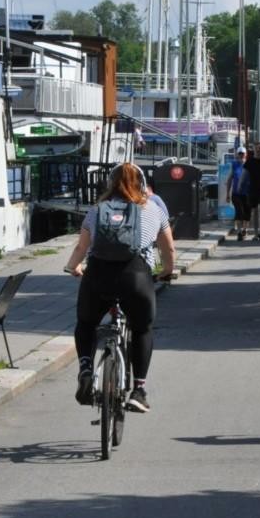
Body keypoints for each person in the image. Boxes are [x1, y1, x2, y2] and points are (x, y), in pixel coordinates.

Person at [64, 163, 176, 413]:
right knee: (143, 328)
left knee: (86, 322)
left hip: (98, 276)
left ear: (110, 184)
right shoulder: (153, 210)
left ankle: (85, 368)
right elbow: (168, 248)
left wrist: (73, 267)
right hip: (136, 277)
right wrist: (166, 271)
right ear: (143, 184)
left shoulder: (97, 211)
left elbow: (81, 248)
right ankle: (138, 389)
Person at [225, 147, 251, 240]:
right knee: (239, 212)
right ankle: (239, 232)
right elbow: (229, 179)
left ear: (246, 154)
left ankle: (245, 229)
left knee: (247, 213)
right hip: (236, 193)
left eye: (243, 153)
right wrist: (227, 193)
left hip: (248, 193)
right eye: (239, 153)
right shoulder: (234, 164)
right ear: (237, 154)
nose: (241, 155)